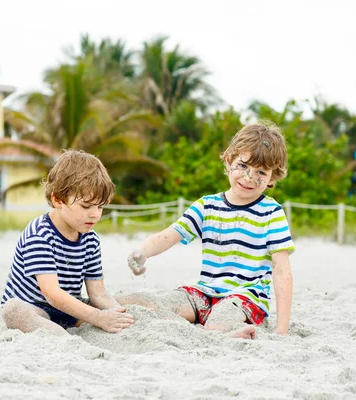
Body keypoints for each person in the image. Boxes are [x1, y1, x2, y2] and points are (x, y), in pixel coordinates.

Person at [119, 122, 295, 339]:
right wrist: (142, 252)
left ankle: (233, 335)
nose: (249, 177)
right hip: (205, 292)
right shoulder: (207, 205)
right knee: (159, 304)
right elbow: (169, 235)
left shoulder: (272, 213)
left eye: (260, 172)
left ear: (272, 177)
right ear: (229, 160)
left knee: (217, 323)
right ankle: (99, 305)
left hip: (245, 298)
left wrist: (282, 330)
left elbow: (282, 271)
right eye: (243, 166)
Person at [1, 149, 134, 336]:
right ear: (58, 199)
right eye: (86, 206)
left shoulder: (90, 238)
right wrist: (98, 318)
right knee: (12, 309)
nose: (95, 214)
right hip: (35, 307)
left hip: (70, 308)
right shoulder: (40, 234)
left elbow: (98, 294)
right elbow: (51, 293)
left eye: (100, 206)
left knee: (137, 300)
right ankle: (61, 338)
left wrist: (118, 314)